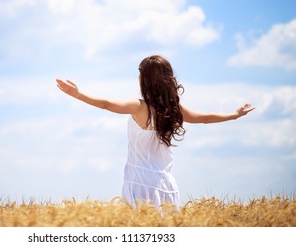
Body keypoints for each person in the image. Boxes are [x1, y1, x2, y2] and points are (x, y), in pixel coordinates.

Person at [56, 55, 255, 210]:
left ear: (144, 78)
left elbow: (106, 104)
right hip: (166, 184)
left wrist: (78, 94)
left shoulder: (139, 107)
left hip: (139, 182)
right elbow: (205, 118)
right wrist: (234, 115)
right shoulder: (173, 110)